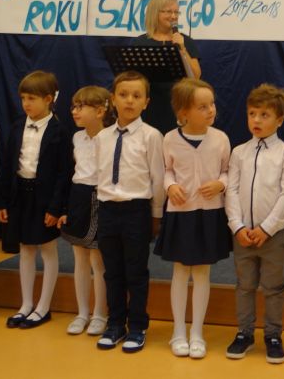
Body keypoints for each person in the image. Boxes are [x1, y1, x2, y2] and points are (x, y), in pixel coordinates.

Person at [153, 78, 232, 359]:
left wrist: (220, 184)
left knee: (202, 273)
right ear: (183, 112)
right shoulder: (169, 139)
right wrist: (170, 186)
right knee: (180, 271)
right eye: (202, 106)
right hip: (181, 214)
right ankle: (178, 331)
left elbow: (227, 172)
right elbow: (166, 171)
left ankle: (197, 332)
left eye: (212, 104)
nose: (211, 110)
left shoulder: (220, 139)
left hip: (209, 214)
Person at [225, 84, 284, 365]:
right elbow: (231, 190)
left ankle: (273, 335)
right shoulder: (239, 152)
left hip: (273, 235)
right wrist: (237, 226)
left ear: (279, 120)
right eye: (252, 114)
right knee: (244, 285)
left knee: (272, 286)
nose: (256, 120)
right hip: (243, 233)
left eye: (264, 115)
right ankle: (244, 333)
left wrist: (267, 228)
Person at [94, 70, 165, 354]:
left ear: (146, 102)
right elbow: (100, 174)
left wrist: (156, 214)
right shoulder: (102, 137)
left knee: (135, 271)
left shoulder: (151, 136)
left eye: (137, 96)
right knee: (112, 271)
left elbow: (157, 178)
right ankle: (115, 323)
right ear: (112, 99)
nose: (130, 101)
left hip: (136, 210)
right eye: (123, 95)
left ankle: (137, 325)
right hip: (107, 209)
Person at [0, 71, 72, 329]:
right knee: (25, 249)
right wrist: (3, 201)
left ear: (48, 99)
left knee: (47, 249)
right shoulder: (17, 126)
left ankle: (43, 306)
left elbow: (63, 173)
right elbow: (7, 164)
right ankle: (26, 304)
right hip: (20, 195)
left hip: (44, 199)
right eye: (23, 98)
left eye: (32, 98)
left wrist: (55, 207)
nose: (26, 104)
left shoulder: (59, 131)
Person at [56, 86, 111, 336]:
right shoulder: (77, 138)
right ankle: (82, 313)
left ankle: (100, 314)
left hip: (99, 197)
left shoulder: (110, 137)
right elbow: (74, 173)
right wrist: (67, 208)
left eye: (81, 107)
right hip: (79, 196)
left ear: (100, 111)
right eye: (73, 106)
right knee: (79, 258)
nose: (74, 111)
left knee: (97, 261)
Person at [132, 0, 202, 133]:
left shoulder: (186, 41)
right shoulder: (141, 42)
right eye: (169, 12)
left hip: (178, 105)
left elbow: (196, 76)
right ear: (155, 13)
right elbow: (133, 77)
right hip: (149, 106)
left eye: (176, 12)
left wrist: (182, 48)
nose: (174, 16)